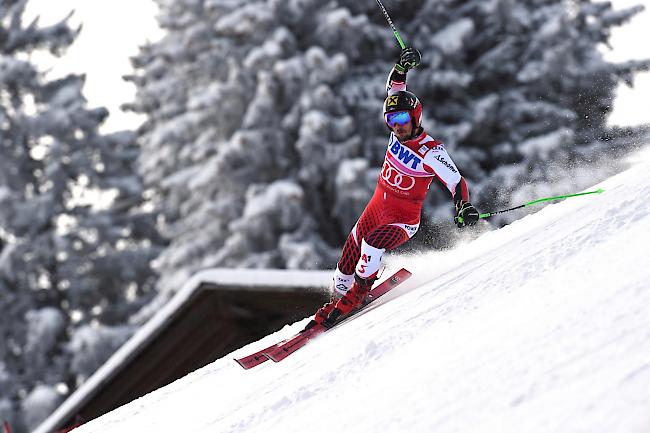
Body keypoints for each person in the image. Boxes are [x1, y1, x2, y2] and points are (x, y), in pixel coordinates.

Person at [308, 47, 480, 329]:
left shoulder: (430, 151)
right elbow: (394, 89)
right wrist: (402, 66)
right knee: (344, 267)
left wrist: (463, 206)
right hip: (376, 209)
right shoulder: (395, 133)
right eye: (391, 121)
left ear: (416, 118)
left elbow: (456, 181)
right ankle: (340, 298)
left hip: (402, 220)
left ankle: (359, 293)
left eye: (401, 120)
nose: (396, 127)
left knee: (372, 244)